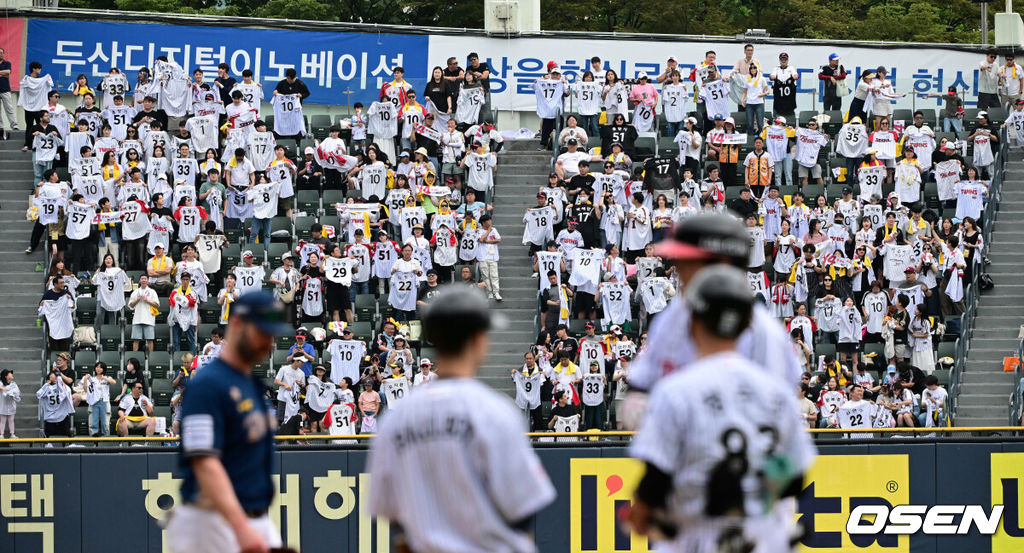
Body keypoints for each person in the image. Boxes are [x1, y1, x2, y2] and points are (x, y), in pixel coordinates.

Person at [628, 265, 815, 552]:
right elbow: (795, 478)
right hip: (763, 537)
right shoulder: (777, 392)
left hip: (694, 536)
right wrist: (752, 498)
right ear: (744, 326)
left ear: (694, 324)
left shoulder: (676, 391)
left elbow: (655, 480)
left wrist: (641, 514)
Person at [369, 287, 556, 553]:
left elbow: (390, 513)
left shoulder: (396, 420)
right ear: (479, 339)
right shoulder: (496, 412)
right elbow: (521, 509)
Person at [622, 213, 803, 428]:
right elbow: (641, 388)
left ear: (722, 264)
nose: (680, 270)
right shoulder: (672, 319)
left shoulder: (763, 332)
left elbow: (784, 420)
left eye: (689, 262)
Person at [168, 291, 291, 553]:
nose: (269, 343)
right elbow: (204, 461)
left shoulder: (250, 384)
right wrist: (241, 528)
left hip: (251, 516)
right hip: (214, 521)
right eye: (262, 332)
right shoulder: (207, 385)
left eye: (272, 335)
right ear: (237, 325)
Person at [37, 367, 74, 438]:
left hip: (62, 415)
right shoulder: (46, 387)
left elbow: (64, 393)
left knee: (66, 434)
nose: (51, 375)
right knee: (48, 436)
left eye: (53, 374)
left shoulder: (63, 387)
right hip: (49, 416)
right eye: (50, 374)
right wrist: (47, 384)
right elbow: (39, 394)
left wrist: (59, 380)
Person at [82, 362, 116, 437]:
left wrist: (104, 378)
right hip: (94, 401)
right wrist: (85, 380)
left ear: (103, 369)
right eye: (97, 367)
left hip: (104, 401)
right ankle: (93, 437)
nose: (98, 369)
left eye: (100, 367)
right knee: (93, 421)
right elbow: (85, 390)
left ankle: (106, 437)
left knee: (105, 422)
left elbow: (114, 382)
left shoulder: (107, 378)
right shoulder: (92, 379)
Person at [0, 369, 21, 438]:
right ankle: (1, 434)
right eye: (10, 374)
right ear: (6, 376)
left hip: (11, 405)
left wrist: (16, 393)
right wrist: (2, 388)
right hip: (3, 405)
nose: (11, 375)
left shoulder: (13, 384)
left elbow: (18, 392)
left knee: (11, 420)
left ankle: (12, 434)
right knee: (3, 421)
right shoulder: (1, 383)